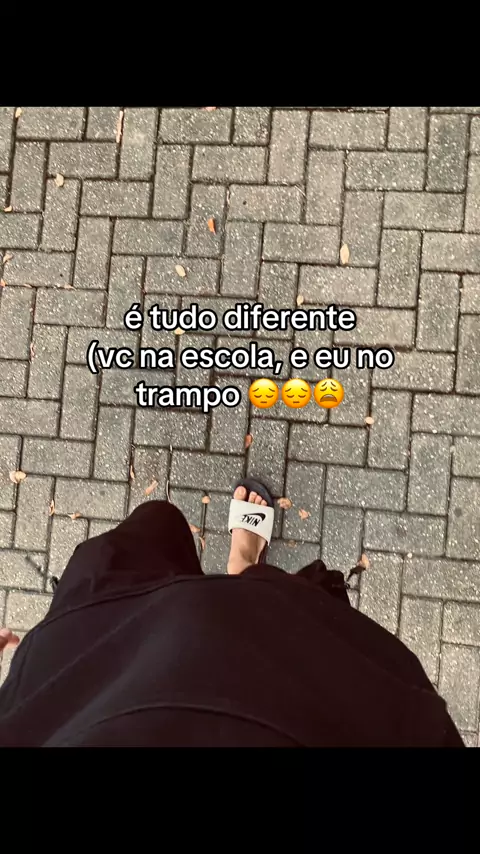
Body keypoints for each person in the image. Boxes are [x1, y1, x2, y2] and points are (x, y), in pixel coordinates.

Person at [0, 479, 463, 747]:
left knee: (142, 544)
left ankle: (243, 576)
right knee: (274, 630)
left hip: (77, 709)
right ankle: (244, 567)